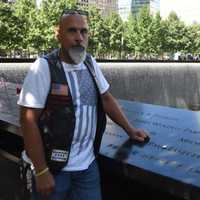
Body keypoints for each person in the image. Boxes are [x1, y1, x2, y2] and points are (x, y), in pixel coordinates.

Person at [18, 9, 148, 200]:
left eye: (84, 31)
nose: (79, 37)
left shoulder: (90, 63)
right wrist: (41, 170)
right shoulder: (44, 67)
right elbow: (28, 120)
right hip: (53, 169)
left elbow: (106, 99)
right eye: (72, 31)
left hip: (86, 167)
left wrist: (129, 129)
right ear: (58, 34)